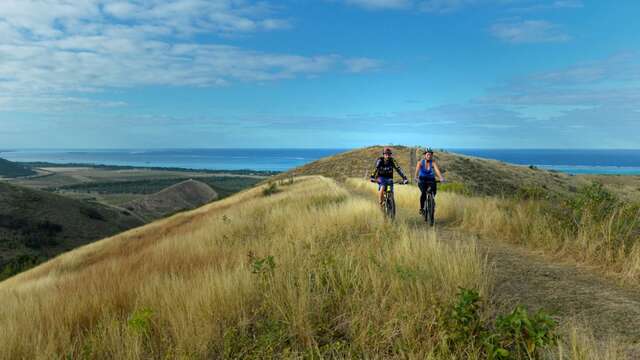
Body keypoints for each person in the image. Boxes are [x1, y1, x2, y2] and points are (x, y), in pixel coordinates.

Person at [414, 147, 445, 214]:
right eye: (428, 154)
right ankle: (422, 208)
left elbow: (437, 170)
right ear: (425, 155)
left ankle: (431, 203)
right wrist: (416, 177)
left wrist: (441, 178)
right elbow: (417, 171)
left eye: (430, 154)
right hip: (422, 180)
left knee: (433, 192)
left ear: (432, 155)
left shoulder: (433, 162)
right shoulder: (420, 162)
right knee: (423, 193)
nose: (429, 156)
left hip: (431, 179)